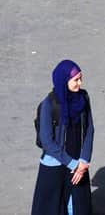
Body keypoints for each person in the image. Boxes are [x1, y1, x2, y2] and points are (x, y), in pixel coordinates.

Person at [31, 60, 94, 215]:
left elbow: (89, 130)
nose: (80, 83)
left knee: (78, 207)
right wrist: (72, 164)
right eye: (75, 80)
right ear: (64, 80)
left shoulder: (83, 98)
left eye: (81, 78)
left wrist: (84, 160)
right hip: (56, 164)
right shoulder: (49, 104)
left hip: (78, 163)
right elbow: (47, 141)